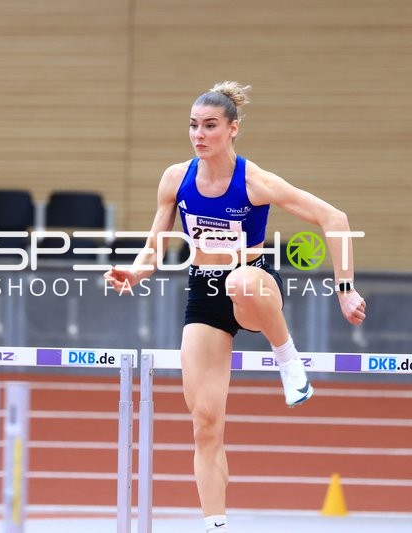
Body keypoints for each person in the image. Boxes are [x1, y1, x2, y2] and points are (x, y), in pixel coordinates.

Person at [104, 81, 366, 532]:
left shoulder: (254, 181)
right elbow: (154, 247)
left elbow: (334, 218)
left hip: (255, 287)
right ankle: (215, 524)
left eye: (209, 126)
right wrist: (135, 273)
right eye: (193, 125)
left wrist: (345, 289)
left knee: (240, 281)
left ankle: (288, 360)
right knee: (204, 423)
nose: (198, 135)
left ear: (233, 129)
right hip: (204, 293)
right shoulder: (176, 179)